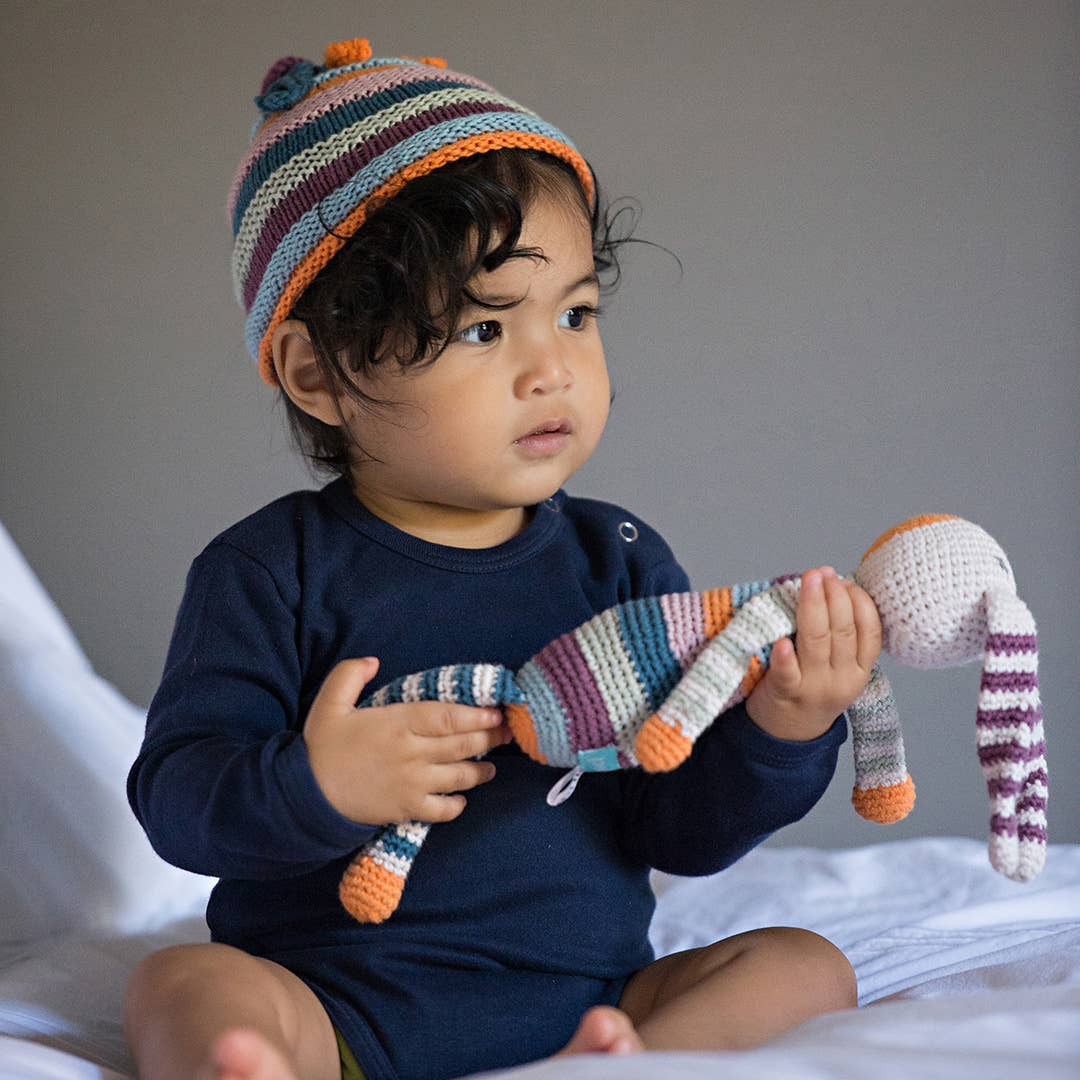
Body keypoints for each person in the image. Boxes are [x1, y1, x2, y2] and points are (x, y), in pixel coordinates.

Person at [124, 36, 876, 1080]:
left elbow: (679, 831)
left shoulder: (616, 560)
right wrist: (319, 783)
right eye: (484, 330)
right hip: (338, 1005)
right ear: (318, 373)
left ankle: (628, 1063)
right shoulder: (269, 570)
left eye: (575, 313)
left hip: (588, 998)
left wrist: (781, 729)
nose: (552, 369)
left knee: (806, 966)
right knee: (178, 984)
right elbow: (178, 798)